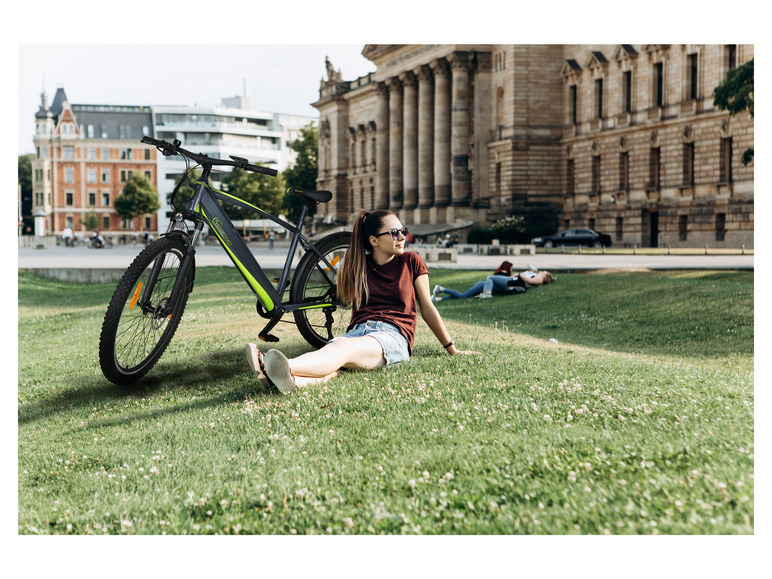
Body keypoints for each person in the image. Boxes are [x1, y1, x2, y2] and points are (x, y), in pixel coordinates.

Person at [245, 209, 479, 393]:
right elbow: (341, 292)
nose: (402, 237)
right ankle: (292, 381)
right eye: (394, 233)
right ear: (374, 241)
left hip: (392, 336)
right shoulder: (358, 266)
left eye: (402, 231)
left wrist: (452, 348)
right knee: (338, 363)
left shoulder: (411, 261)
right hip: (357, 331)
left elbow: (427, 308)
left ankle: (278, 365)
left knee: (341, 349)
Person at [432, 262, 555, 301]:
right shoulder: (535, 274)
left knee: (490, 278)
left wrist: (523, 274)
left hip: (511, 283)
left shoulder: (540, 278)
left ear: (546, 276)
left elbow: (528, 280)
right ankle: (438, 298)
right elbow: (517, 275)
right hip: (511, 281)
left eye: (543, 272)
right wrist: (526, 272)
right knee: (479, 285)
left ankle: (487, 293)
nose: (541, 271)